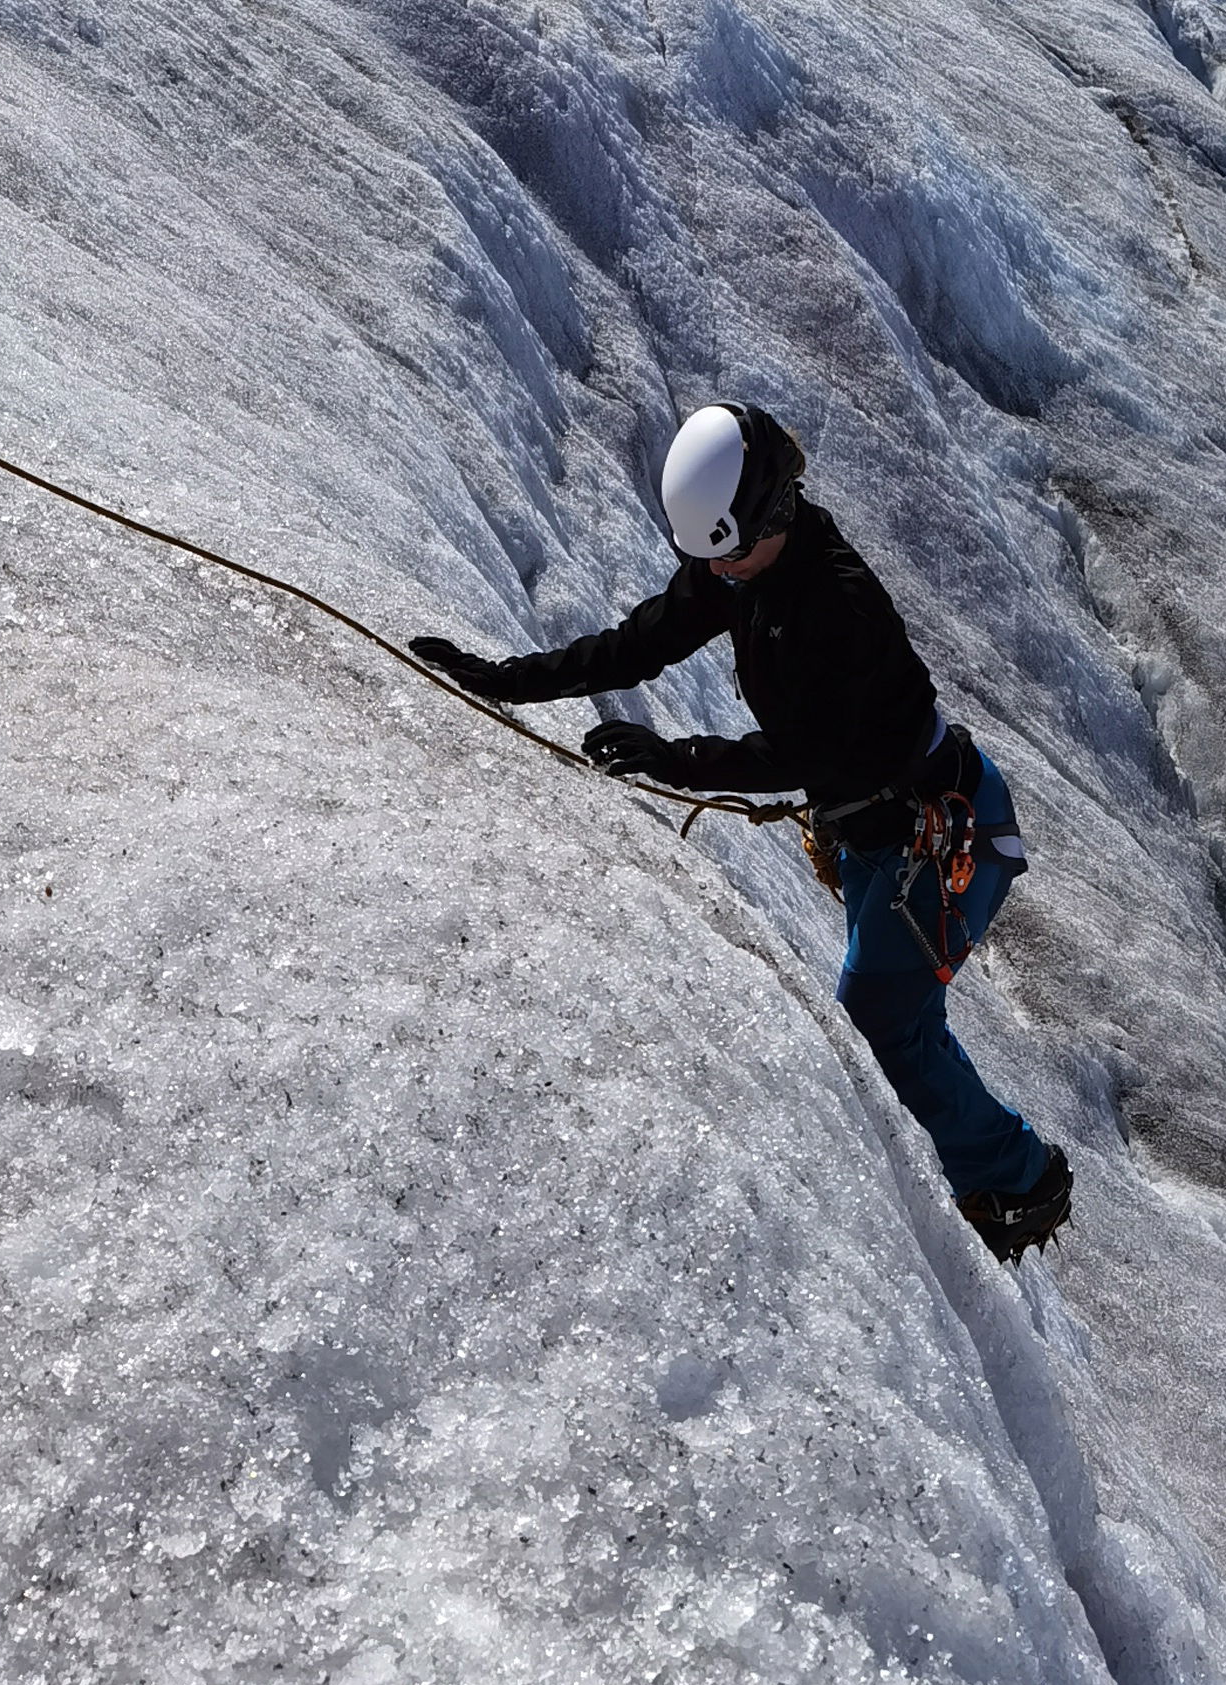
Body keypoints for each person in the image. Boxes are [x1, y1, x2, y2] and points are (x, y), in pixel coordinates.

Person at [411, 401, 1073, 1262]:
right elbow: (638, 643)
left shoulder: (841, 606)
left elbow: (804, 750)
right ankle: (995, 1174)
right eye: (707, 559)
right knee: (901, 1012)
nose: (716, 574)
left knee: (882, 1011)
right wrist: (507, 680)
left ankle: (1020, 1184)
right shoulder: (745, 566)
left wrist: (673, 758)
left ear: (772, 514)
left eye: (729, 555)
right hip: (893, 832)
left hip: (940, 831)